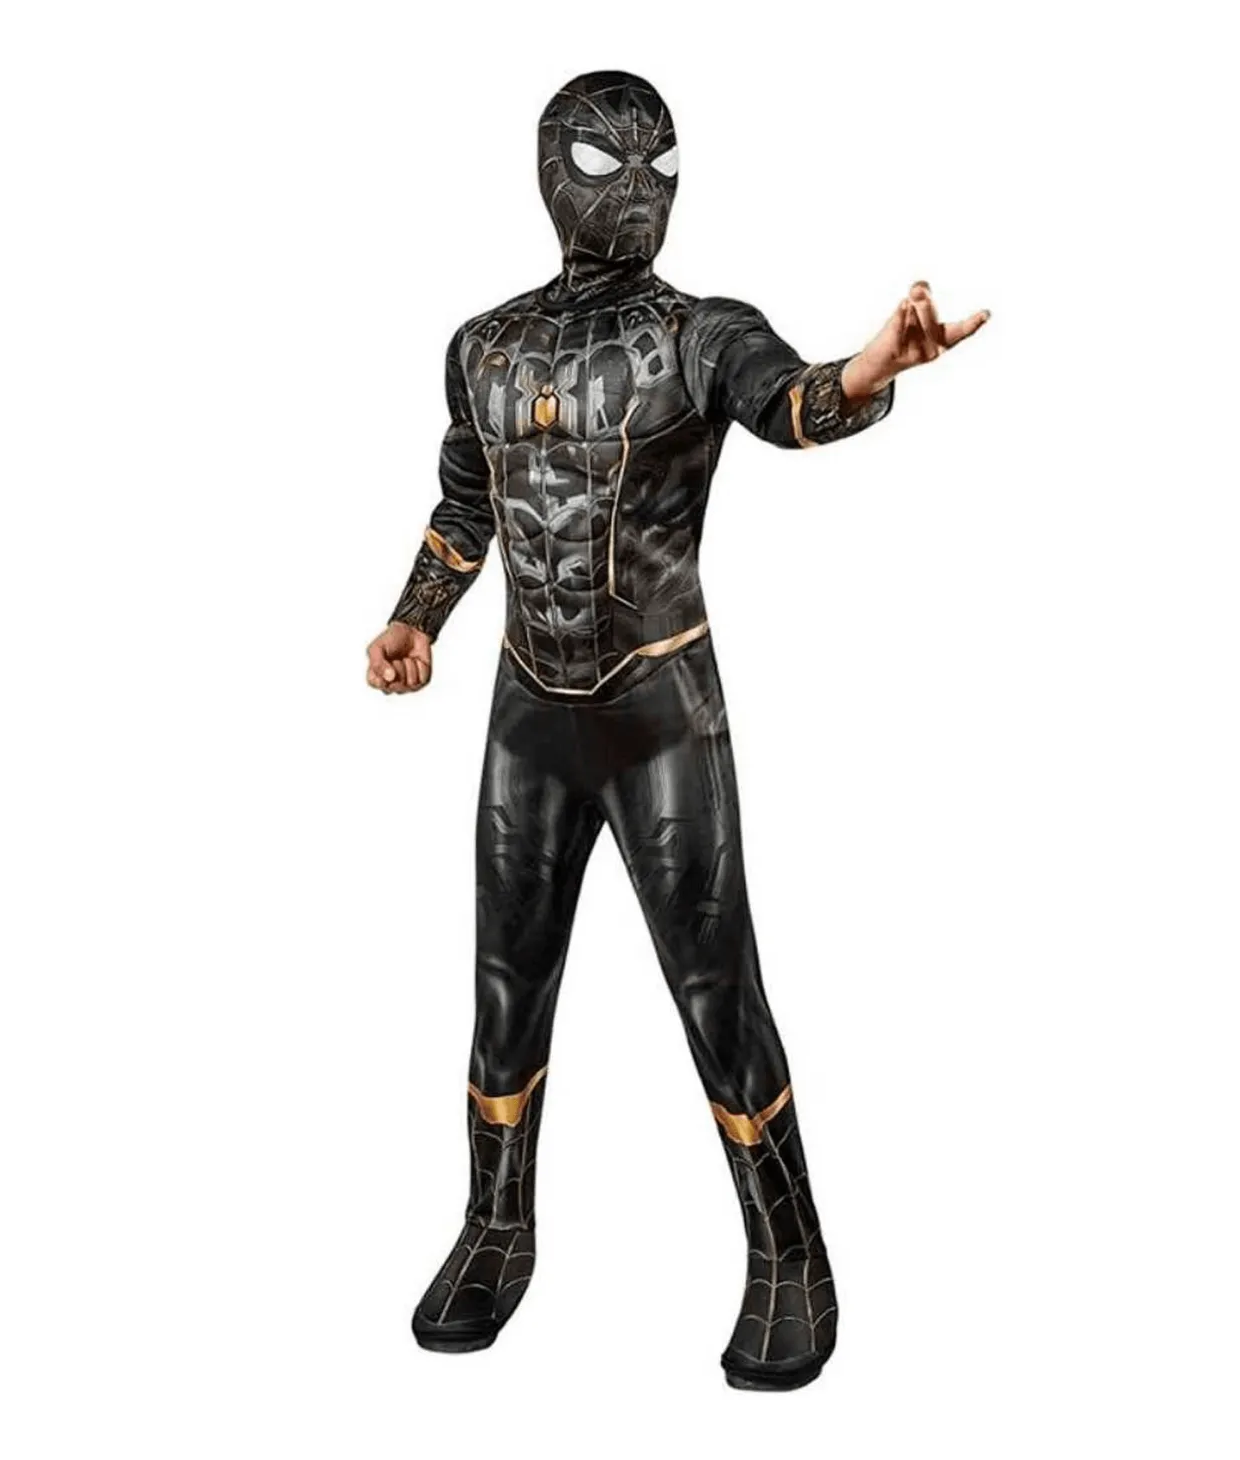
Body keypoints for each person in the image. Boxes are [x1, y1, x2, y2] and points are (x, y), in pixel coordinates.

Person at [366, 69, 988, 1390]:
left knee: (718, 993)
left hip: (660, 714)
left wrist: (878, 365)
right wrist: (415, 618)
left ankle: (790, 1255)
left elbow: (793, 402)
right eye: (608, 162)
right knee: (502, 988)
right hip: (528, 716)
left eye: (662, 160)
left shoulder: (703, 335)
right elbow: (468, 500)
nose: (640, 188)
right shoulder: (480, 346)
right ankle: (495, 1229)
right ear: (552, 172)